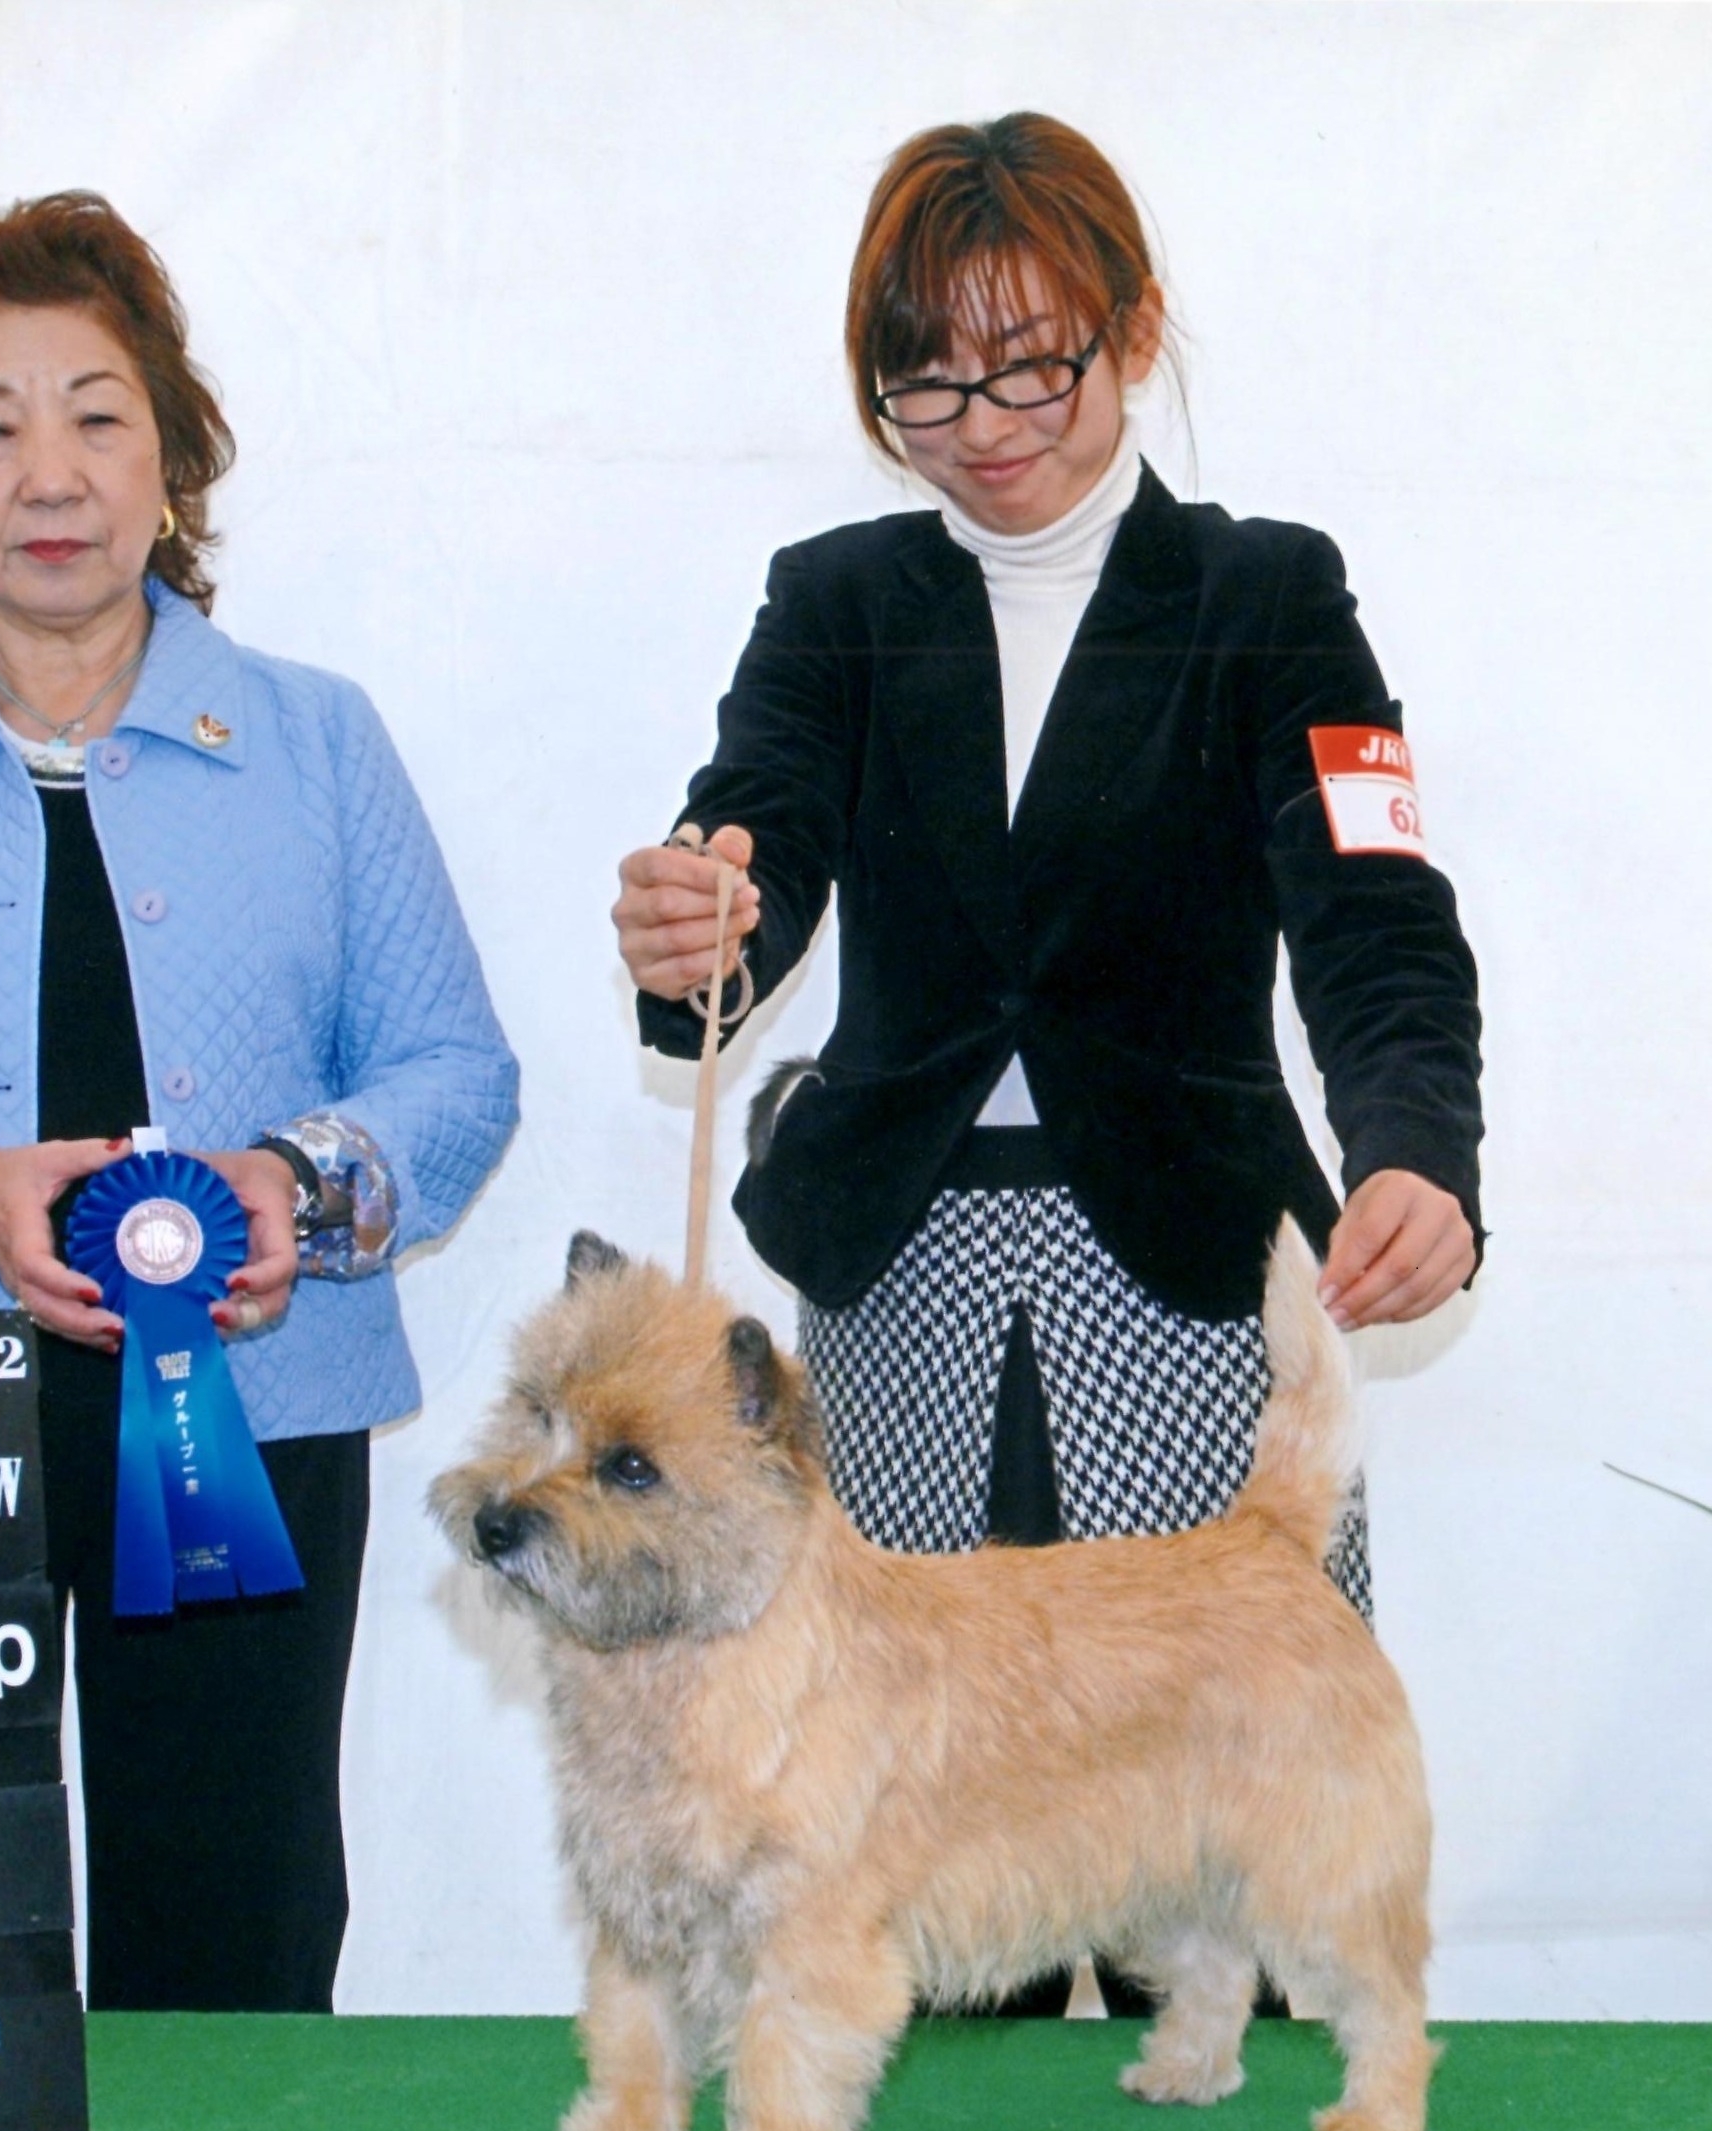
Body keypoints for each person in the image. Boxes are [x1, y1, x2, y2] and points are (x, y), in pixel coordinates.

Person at [611, 115, 1483, 2005]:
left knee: (1234, 1807)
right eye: (922, 382)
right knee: (904, 1816)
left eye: (1029, 368)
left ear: (1135, 330)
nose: (981, 424)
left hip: (1186, 1265)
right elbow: (753, 838)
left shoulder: (1271, 597)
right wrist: (696, 916)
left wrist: (1416, 1148)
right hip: (901, 1278)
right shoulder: (836, 602)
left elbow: (1376, 908)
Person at [0, 192, 517, 2013]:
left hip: (247, 1409)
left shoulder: (316, 739)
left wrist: (300, 1183)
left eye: (98, 417)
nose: (48, 474)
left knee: (228, 1920)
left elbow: (455, 1070)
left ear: (171, 463)